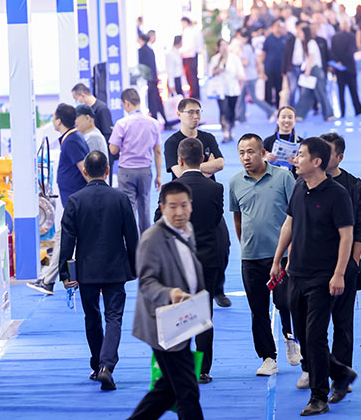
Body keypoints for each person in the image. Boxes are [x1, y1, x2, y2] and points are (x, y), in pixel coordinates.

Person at [269, 137, 356, 416]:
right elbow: (289, 224)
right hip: (296, 273)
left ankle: (319, 397)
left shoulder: (338, 194)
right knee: (304, 338)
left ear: (317, 162)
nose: (295, 160)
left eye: (301, 155)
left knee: (316, 336)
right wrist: (277, 260)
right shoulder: (298, 187)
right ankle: (340, 372)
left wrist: (339, 274)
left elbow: (347, 236)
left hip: (323, 277)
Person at [58, 151, 138, 390]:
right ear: (107, 170)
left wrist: (66, 274)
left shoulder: (75, 200)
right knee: (114, 317)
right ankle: (106, 366)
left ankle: (96, 365)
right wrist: (134, 267)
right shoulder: (121, 199)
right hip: (115, 268)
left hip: (87, 270)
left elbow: (67, 241)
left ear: (84, 171)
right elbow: (132, 236)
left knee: (92, 317)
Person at [152, 138, 229, 382]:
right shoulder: (215, 189)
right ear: (203, 159)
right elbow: (216, 219)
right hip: (207, 260)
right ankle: (203, 370)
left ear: (180, 160)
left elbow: (158, 222)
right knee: (204, 315)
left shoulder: (171, 189)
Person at [128, 181, 205, 420]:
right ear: (162, 207)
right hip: (162, 324)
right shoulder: (152, 238)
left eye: (184, 205)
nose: (179, 212)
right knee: (187, 390)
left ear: (191, 205)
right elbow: (146, 283)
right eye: (172, 206)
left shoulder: (187, 229)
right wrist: (171, 294)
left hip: (185, 318)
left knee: (168, 388)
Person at [230, 133, 300, 377]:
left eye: (250, 152)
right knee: (257, 310)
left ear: (262, 153)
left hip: (281, 256)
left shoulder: (283, 177)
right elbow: (238, 218)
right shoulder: (235, 182)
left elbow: (296, 215)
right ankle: (268, 357)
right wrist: (245, 245)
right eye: (241, 153)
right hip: (250, 258)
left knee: (285, 302)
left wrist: (292, 252)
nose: (246, 157)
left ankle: (290, 336)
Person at [320, 133, 361, 403]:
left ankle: (341, 378)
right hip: (314, 265)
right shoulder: (305, 182)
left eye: (327, 152)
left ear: (339, 157)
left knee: (342, 324)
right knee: (312, 326)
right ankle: (319, 370)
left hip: (345, 265)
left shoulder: (353, 185)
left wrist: (352, 264)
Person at [28, 104, 90, 295]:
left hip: (76, 202)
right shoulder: (71, 139)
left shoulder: (72, 141)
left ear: (59, 121)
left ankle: (48, 281)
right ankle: (51, 280)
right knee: (64, 238)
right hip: (74, 201)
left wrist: (94, 193)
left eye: (54, 117)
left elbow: (85, 170)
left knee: (63, 238)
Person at [109, 89, 162, 233]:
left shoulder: (122, 123)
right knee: (144, 206)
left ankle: (132, 240)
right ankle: (146, 239)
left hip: (127, 170)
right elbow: (157, 151)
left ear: (127, 103)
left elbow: (113, 150)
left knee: (129, 207)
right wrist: (159, 175)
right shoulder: (153, 123)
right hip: (145, 170)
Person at [207, 39, 244, 142]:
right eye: (222, 45)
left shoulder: (235, 58)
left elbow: (240, 73)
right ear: (218, 47)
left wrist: (241, 79)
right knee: (223, 110)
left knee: (231, 111)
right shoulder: (215, 59)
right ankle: (225, 132)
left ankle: (231, 129)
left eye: (225, 45)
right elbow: (210, 73)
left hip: (232, 89)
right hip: (220, 89)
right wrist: (218, 69)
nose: (224, 47)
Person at [235, 29, 275, 123]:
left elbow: (245, 62)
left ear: (246, 38)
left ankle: (271, 111)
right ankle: (240, 117)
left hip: (249, 76)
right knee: (241, 97)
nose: (240, 39)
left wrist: (236, 60)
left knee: (253, 98)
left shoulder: (246, 48)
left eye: (241, 37)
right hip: (249, 76)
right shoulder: (249, 47)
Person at [296, 25, 334, 121]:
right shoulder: (306, 44)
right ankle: (299, 115)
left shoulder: (311, 43)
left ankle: (329, 114)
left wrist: (307, 71)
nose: (299, 35)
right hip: (312, 70)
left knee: (321, 93)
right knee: (306, 93)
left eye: (301, 33)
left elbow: (311, 58)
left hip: (315, 71)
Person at [330, 20, 361, 117]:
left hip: (339, 68)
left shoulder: (334, 37)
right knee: (353, 90)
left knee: (341, 91)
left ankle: (342, 112)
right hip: (350, 67)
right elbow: (351, 51)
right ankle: (358, 110)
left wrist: (338, 61)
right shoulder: (351, 36)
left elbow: (332, 51)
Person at [138, 34, 168, 125]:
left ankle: (156, 119)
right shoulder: (149, 50)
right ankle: (163, 119)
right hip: (153, 79)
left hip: (148, 79)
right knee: (156, 100)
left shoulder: (142, 51)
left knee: (153, 101)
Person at [264, 105, 302, 171]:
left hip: (294, 176)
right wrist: (265, 160)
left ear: (294, 121)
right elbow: (259, 166)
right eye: (283, 117)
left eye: (290, 117)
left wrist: (298, 162)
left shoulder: (301, 143)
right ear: (277, 120)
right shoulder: (268, 142)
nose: (286, 120)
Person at [261, 18, 288, 107]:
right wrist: (261, 70)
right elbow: (263, 54)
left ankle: (278, 106)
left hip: (280, 68)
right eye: (276, 26)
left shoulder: (285, 39)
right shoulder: (268, 39)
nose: (278, 28)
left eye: (280, 26)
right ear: (272, 27)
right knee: (268, 88)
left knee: (279, 88)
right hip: (269, 68)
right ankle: (268, 107)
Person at [180, 17, 203, 99]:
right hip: (192, 55)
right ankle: (195, 93)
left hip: (189, 55)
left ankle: (193, 94)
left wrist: (179, 51)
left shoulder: (188, 31)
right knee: (193, 76)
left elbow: (189, 45)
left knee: (191, 76)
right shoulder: (195, 30)